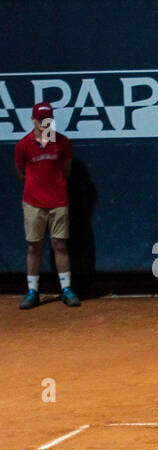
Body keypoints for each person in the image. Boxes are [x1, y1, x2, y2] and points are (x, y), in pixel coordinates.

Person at [14, 102, 78, 309]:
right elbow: (21, 173)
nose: (44, 123)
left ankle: (66, 290)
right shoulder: (23, 145)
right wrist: (38, 189)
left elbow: (66, 171)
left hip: (59, 202)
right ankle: (32, 291)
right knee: (34, 247)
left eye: (48, 119)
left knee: (60, 245)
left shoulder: (63, 143)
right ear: (33, 120)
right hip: (33, 203)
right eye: (40, 119)